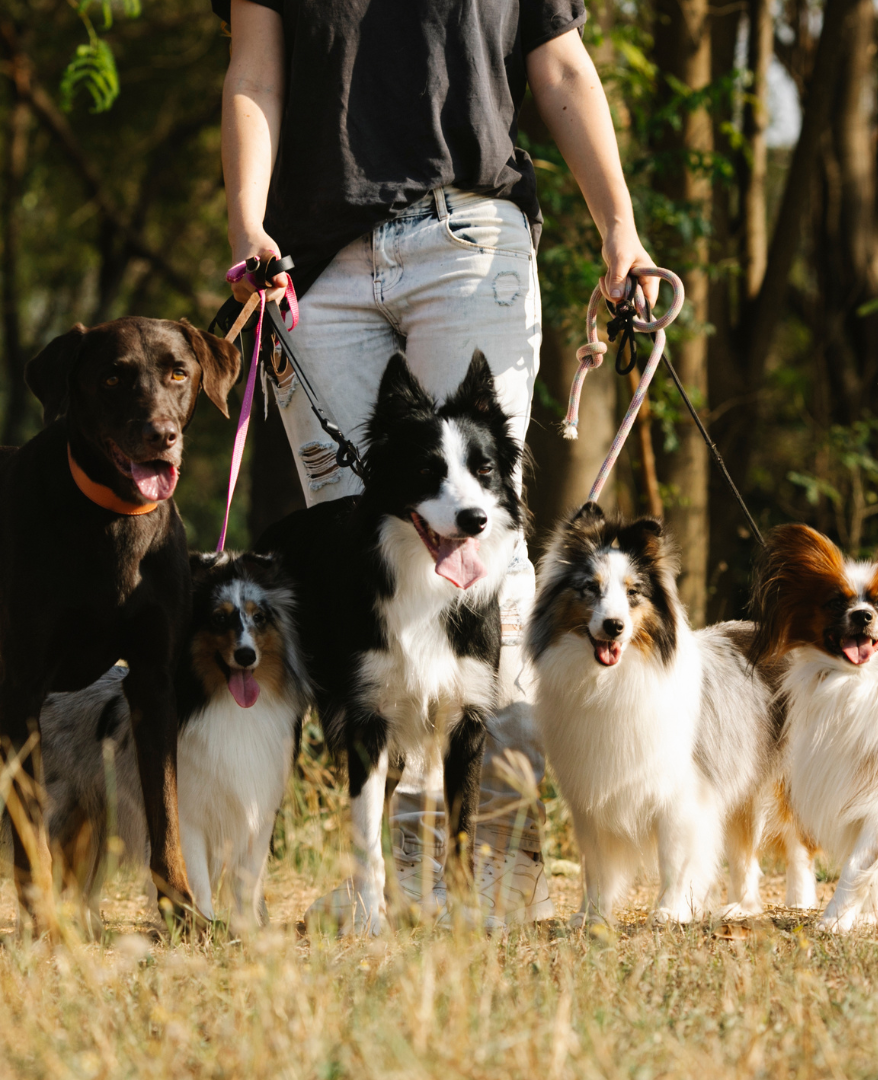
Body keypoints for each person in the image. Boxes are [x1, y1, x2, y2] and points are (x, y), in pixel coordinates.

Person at [216, 0, 659, 928]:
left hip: (470, 242)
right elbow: (255, 75)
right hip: (315, 269)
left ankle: (500, 860)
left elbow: (563, 68)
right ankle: (406, 871)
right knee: (365, 582)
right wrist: (245, 226)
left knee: (485, 569)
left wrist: (618, 227)